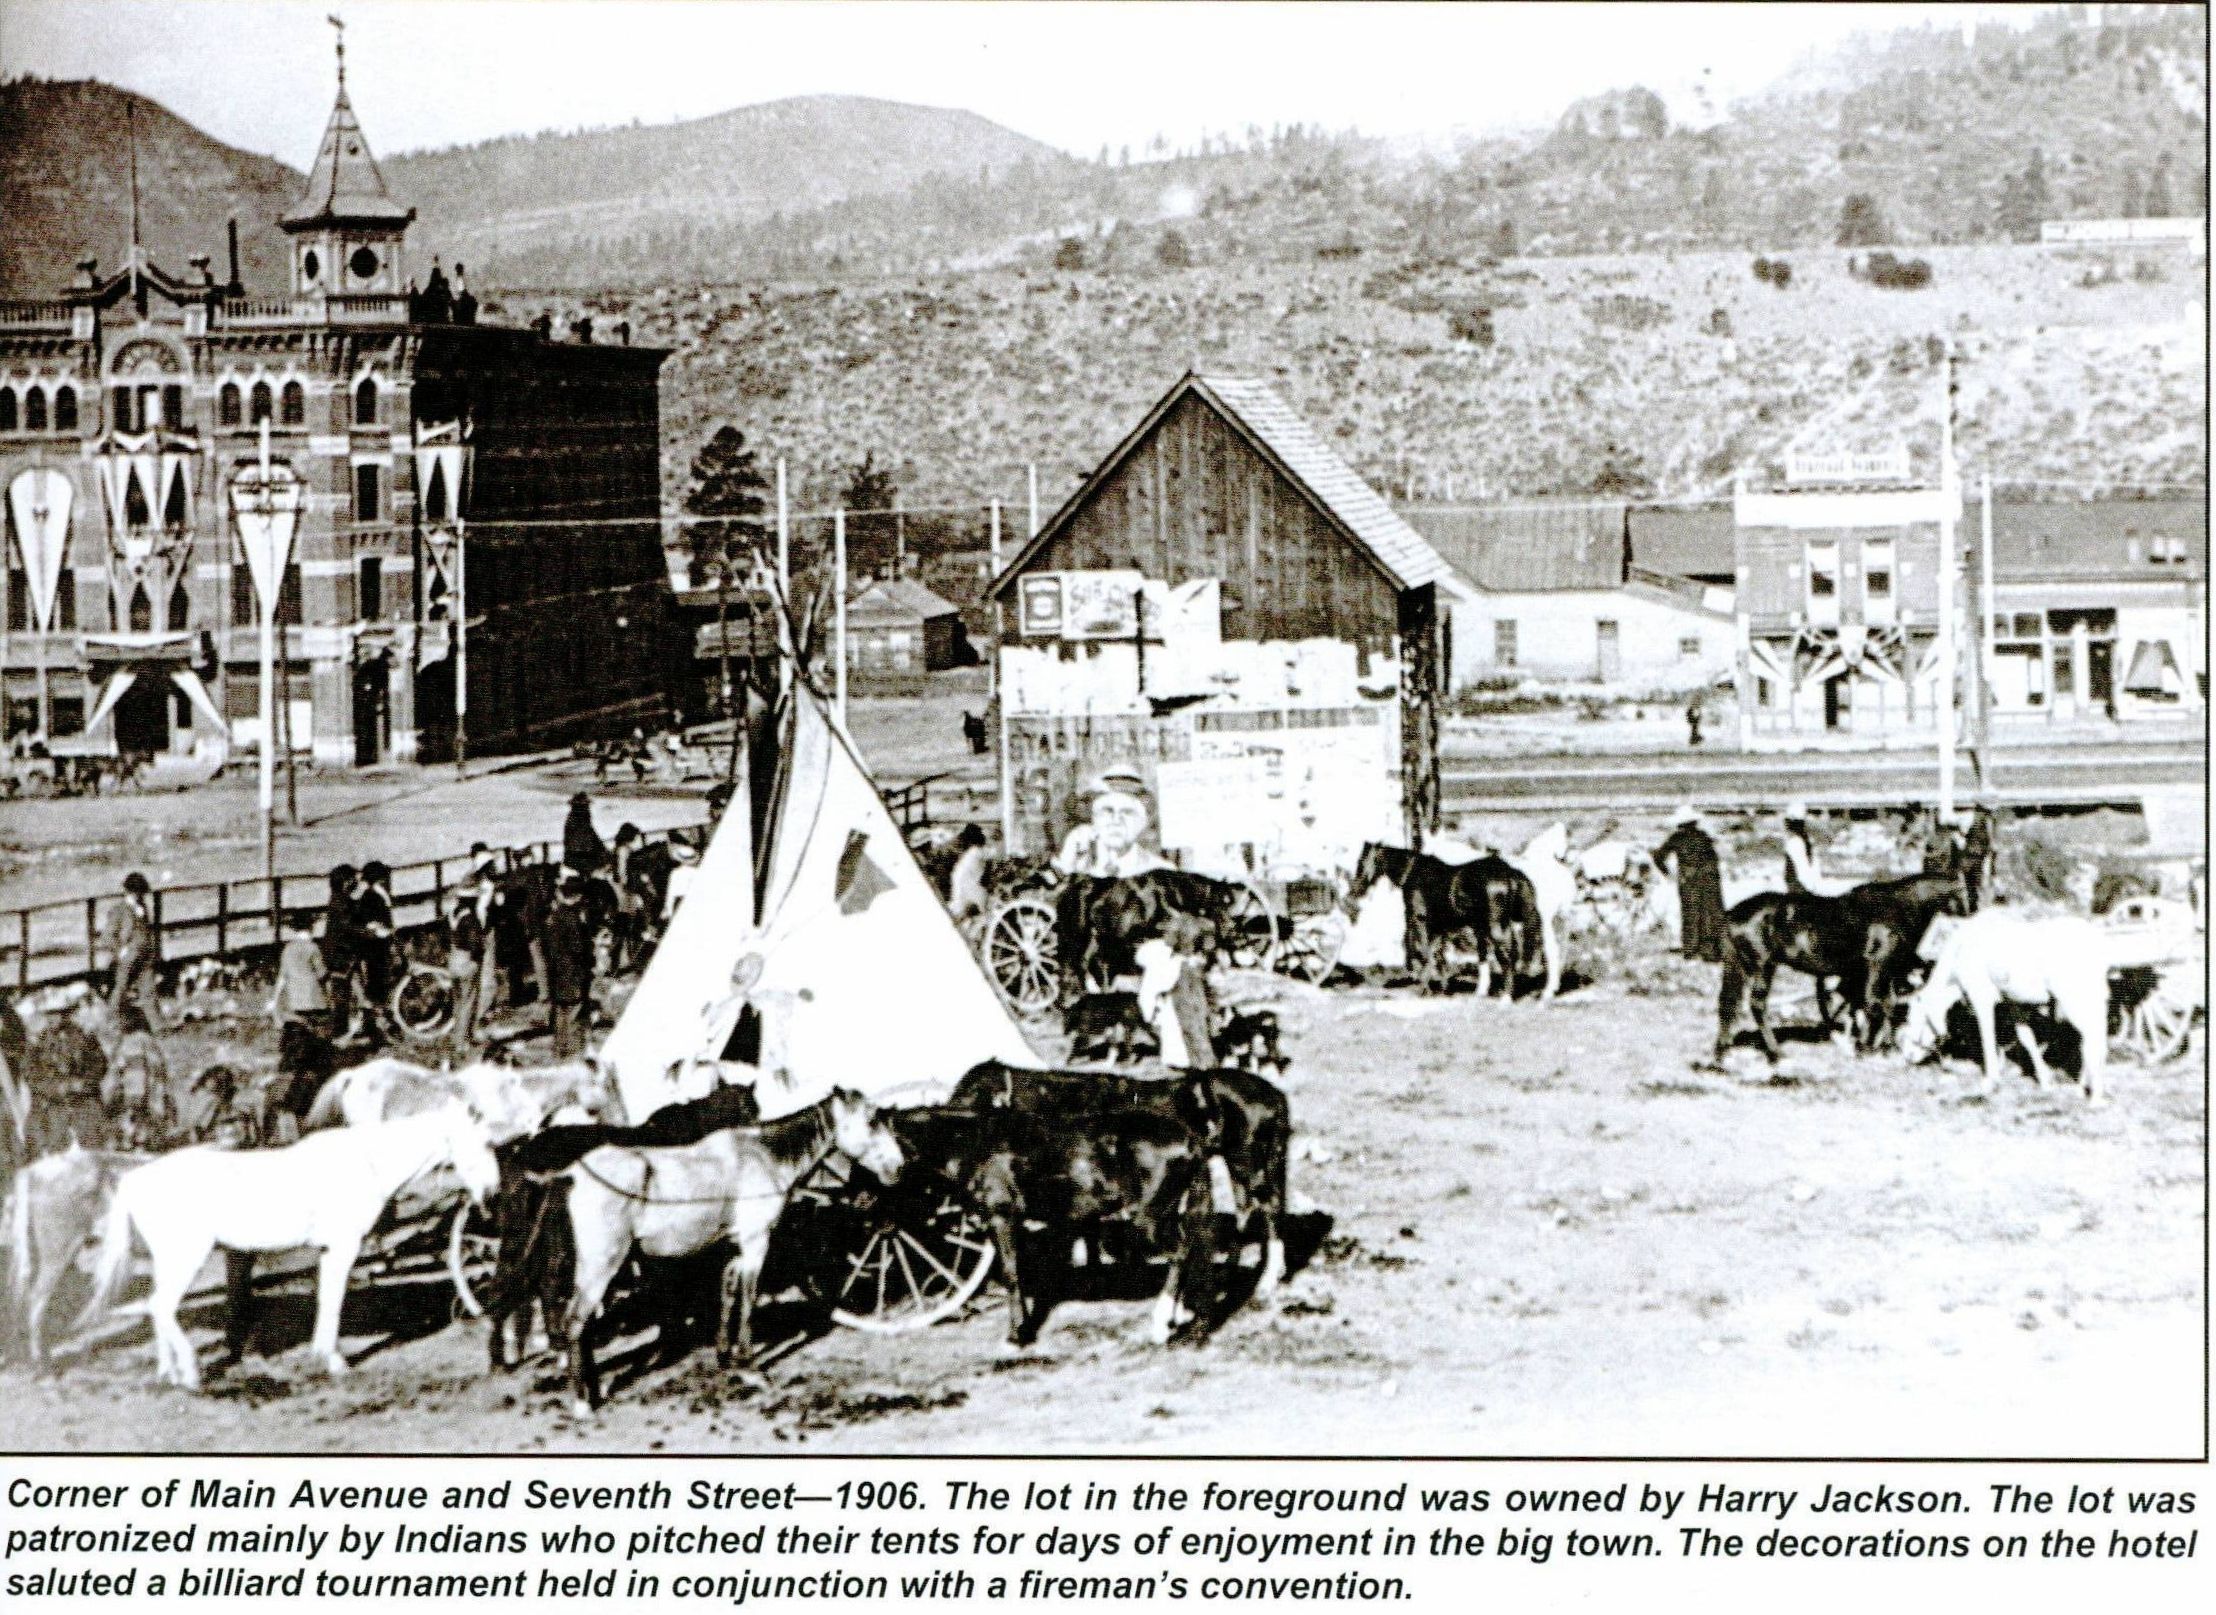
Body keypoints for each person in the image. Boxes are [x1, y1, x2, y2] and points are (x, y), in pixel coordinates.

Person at [1053, 768, 1166, 879]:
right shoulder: (1078, 868)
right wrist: (1067, 859)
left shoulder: (1160, 872)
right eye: (1107, 811)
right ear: (1094, 819)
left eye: (1126, 812)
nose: (1116, 820)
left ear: (1142, 822)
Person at [1653, 806, 1726, 963]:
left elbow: (1658, 857)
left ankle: (1691, 950)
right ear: (1694, 822)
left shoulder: (1676, 838)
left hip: (1689, 880)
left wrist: (1668, 874)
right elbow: (1714, 859)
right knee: (1710, 913)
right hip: (1709, 879)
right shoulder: (1703, 836)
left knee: (1690, 914)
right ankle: (1710, 951)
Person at [545, 872, 596, 1059]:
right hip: (573, 971)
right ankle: (573, 1050)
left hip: (557, 970)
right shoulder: (573, 919)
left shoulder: (555, 916)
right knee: (574, 1011)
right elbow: (577, 948)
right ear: (577, 897)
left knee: (561, 1011)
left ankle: (559, 1048)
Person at [102, 872, 161, 1032]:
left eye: (140, 892)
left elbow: (146, 932)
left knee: (149, 991)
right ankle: (110, 1025)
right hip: (129, 957)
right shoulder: (119, 910)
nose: (139, 896)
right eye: (136, 892)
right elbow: (107, 936)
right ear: (129, 892)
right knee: (120, 990)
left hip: (144, 956)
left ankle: (158, 1028)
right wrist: (120, 951)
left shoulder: (142, 909)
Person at [446, 869, 494, 1053]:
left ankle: (458, 1036)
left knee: (458, 1002)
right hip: (467, 962)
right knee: (468, 1002)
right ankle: (463, 1041)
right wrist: (481, 948)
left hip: (454, 959)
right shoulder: (470, 918)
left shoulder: (453, 913)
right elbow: (474, 942)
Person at [270, 909, 330, 1037]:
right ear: (311, 927)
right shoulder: (312, 947)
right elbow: (322, 974)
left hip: (293, 1000)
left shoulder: (287, 949)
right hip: (313, 1000)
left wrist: (275, 1001)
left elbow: (282, 978)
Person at [320, 865, 363, 1041]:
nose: (356, 882)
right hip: (340, 955)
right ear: (345, 882)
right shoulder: (341, 902)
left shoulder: (339, 899)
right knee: (341, 994)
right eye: (353, 879)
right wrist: (369, 932)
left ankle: (342, 1029)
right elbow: (348, 926)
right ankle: (338, 1031)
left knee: (344, 992)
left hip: (340, 953)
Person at [354, 861, 397, 1032]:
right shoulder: (374, 896)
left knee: (376, 983)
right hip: (376, 947)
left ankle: (374, 1021)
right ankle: (376, 1022)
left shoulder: (370, 894)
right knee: (377, 983)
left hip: (375, 946)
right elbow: (373, 923)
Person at [1779, 802, 1853, 898]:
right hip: (1807, 889)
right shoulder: (1807, 840)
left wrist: (1810, 891)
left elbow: (1802, 871)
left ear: (1788, 823)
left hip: (1798, 892)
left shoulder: (1795, 842)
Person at [563, 791, 608, 878]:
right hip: (578, 856)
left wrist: (602, 848)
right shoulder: (576, 821)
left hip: (579, 854)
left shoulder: (580, 820)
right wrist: (601, 850)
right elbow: (583, 841)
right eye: (585, 806)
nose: (587, 808)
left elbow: (592, 836)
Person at [664, 839, 700, 921]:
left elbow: (670, 893)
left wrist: (670, 912)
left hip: (679, 903)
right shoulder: (696, 872)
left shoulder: (674, 873)